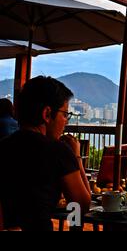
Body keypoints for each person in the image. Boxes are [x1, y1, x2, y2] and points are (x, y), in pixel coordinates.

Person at [0, 76, 91, 231]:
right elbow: (80, 205)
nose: (66, 121)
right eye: (65, 114)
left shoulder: (3, 146)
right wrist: (77, 157)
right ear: (47, 114)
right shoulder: (57, 151)